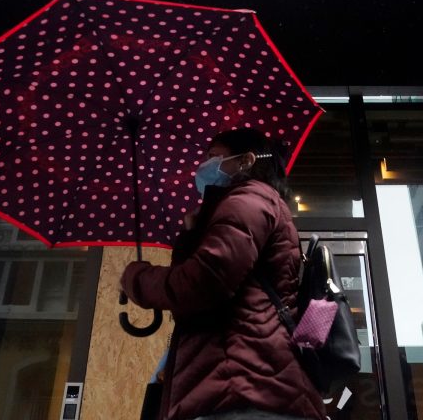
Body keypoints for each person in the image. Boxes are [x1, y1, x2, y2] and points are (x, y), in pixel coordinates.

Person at [121, 128, 326, 420]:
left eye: (214, 157)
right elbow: (202, 296)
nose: (203, 167)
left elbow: (202, 283)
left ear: (246, 161)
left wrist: (136, 278)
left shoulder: (249, 199)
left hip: (243, 390)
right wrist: (191, 236)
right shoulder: (244, 204)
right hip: (239, 385)